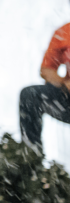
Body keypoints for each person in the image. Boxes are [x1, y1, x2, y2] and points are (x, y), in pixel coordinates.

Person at [19, 14, 70, 151]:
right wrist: (64, 83)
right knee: (30, 95)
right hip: (68, 100)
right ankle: (31, 156)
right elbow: (46, 70)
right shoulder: (65, 32)